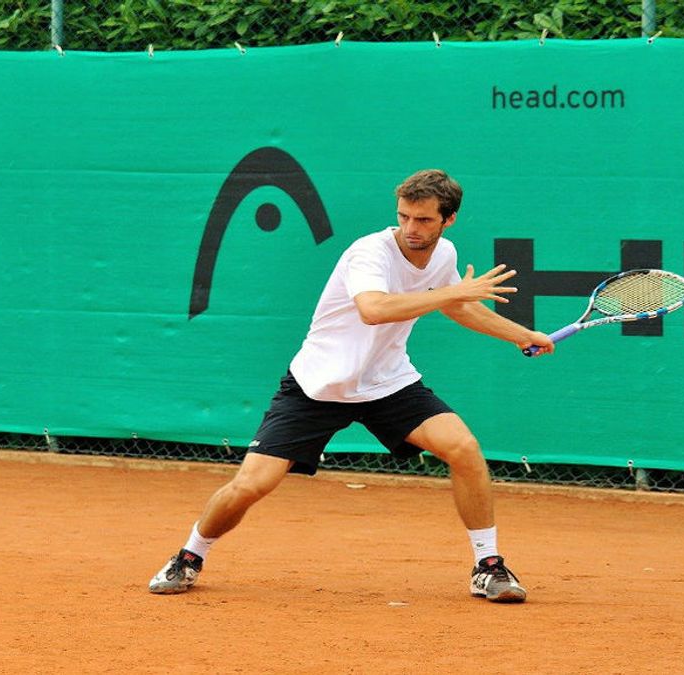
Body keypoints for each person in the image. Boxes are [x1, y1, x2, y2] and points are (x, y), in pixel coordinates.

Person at [149, 169, 555, 602]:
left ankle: (488, 567)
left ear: (448, 220)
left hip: (388, 382)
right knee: (252, 485)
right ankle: (190, 556)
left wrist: (520, 334)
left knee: (465, 450)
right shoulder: (370, 253)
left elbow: (460, 309)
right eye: (404, 217)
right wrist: (451, 295)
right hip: (319, 385)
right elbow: (374, 309)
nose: (411, 229)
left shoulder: (444, 255)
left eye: (423, 220)